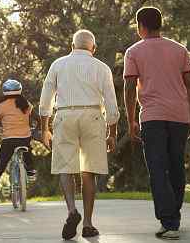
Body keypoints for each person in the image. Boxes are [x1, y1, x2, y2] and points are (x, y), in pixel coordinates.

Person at [124, 7, 190, 241]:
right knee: (176, 165)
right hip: (180, 116)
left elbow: (128, 88)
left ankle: (170, 222)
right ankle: (173, 216)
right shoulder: (179, 50)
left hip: (153, 117)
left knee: (157, 169)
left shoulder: (133, 51)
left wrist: (131, 120)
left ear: (140, 26)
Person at [39, 30, 119, 240]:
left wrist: (44, 128)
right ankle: (88, 225)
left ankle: (72, 211)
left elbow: (46, 98)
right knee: (88, 171)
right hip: (92, 115)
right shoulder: (101, 68)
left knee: (66, 168)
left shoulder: (58, 64)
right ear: (93, 48)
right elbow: (111, 103)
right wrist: (112, 133)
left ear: (72, 46)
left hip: (65, 115)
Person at [0, 79, 38, 212]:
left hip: (9, 141)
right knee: (27, 147)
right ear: (20, 90)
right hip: (24, 139)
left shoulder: (2, 106)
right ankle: (30, 171)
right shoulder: (25, 104)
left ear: (5, 92)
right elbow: (38, 119)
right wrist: (35, 130)